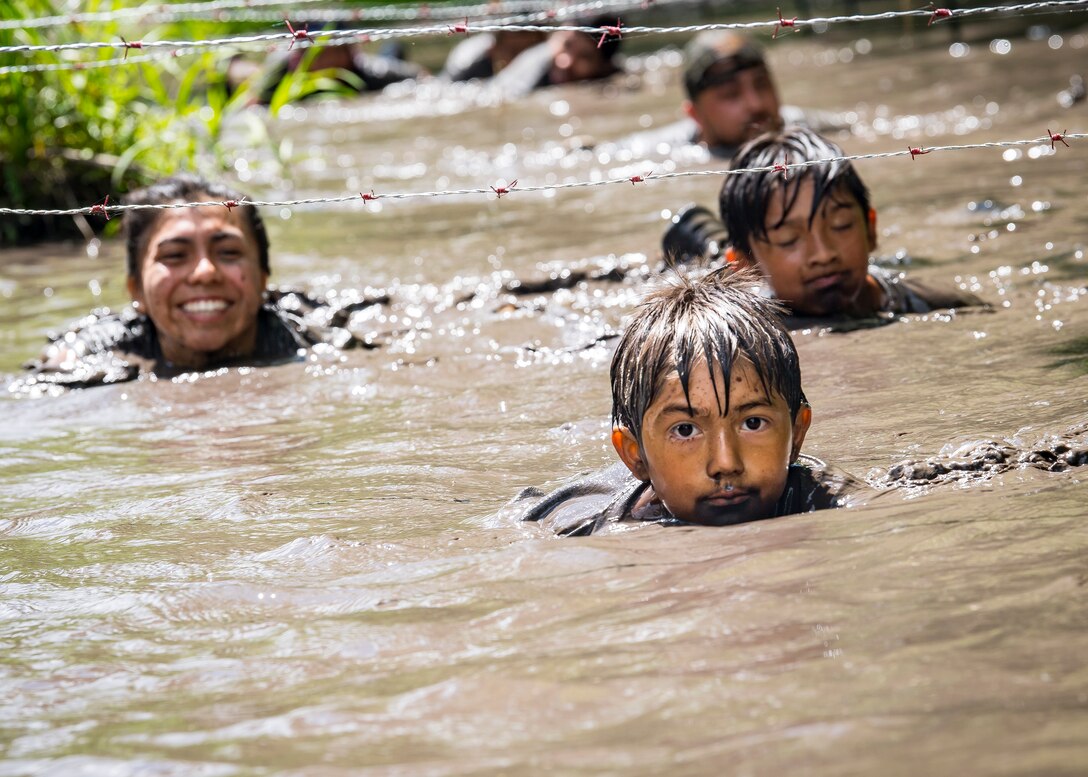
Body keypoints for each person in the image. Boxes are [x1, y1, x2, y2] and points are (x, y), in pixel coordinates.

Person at [507, 269, 862, 536]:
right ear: (634, 455)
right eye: (686, 429)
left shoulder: (825, 494)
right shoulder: (587, 526)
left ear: (797, 434)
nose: (725, 463)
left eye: (752, 422)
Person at [21, 174, 379, 390]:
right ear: (137, 291)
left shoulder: (317, 333)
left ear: (263, 280)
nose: (205, 272)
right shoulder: (103, 347)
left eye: (228, 253)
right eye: (175, 256)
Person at [719, 127, 986, 324]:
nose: (824, 254)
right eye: (789, 239)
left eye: (841, 224)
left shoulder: (941, 305)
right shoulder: (747, 336)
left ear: (870, 229)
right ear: (744, 267)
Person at [615, 31, 838, 160]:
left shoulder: (811, 127)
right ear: (694, 114)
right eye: (731, 94)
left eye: (761, 85)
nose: (755, 103)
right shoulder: (655, 153)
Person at [488, 15, 623, 99]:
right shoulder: (534, 67)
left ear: (604, 66)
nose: (565, 62)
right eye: (567, 44)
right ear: (555, 35)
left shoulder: (612, 78)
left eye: (585, 57)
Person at [440, 30, 546, 82]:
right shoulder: (472, 68)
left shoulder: (542, 66)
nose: (520, 60)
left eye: (526, 52)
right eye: (513, 52)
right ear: (493, 49)